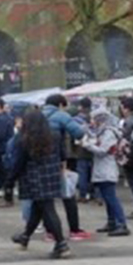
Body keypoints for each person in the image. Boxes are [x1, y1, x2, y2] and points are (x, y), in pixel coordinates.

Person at [7, 110, 71, 259]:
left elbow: (18, 163)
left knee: (47, 209)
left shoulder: (23, 139)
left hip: (33, 176)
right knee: (39, 207)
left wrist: (10, 181)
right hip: (52, 175)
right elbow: (63, 155)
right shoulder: (54, 135)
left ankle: (61, 243)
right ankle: (25, 236)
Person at [41, 93, 90, 240]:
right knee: (68, 195)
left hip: (37, 162)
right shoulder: (61, 115)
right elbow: (79, 133)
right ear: (61, 105)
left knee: (46, 199)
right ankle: (74, 230)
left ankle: (50, 232)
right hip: (57, 160)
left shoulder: (36, 115)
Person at [82, 107, 130, 237]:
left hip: (107, 168)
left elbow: (103, 151)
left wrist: (87, 145)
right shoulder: (103, 131)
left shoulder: (108, 132)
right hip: (103, 168)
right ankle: (112, 222)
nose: (92, 121)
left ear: (100, 119)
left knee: (111, 197)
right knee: (108, 197)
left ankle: (122, 224)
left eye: (93, 119)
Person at [74, 97, 95, 202]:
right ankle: (94, 194)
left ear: (81, 107)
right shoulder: (95, 117)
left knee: (82, 173)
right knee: (93, 173)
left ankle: (83, 194)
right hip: (95, 149)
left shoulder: (76, 120)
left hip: (81, 149)